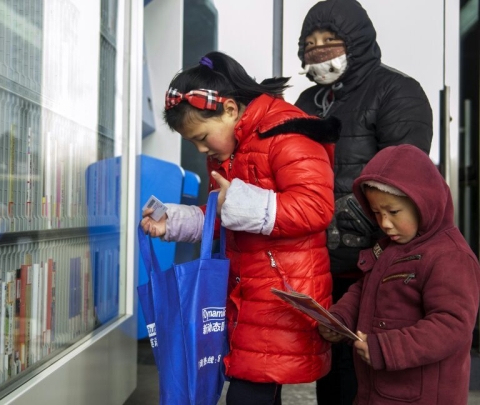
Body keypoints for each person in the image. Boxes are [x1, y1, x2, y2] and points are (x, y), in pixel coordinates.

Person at [141, 51, 341, 404]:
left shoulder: (288, 133)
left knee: (248, 396)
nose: (201, 149)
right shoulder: (230, 147)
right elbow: (225, 214)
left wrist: (239, 202)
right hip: (246, 295)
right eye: (193, 142)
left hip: (281, 296)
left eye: (203, 137)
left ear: (230, 110)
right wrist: (173, 221)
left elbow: (316, 207)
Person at [293, 1, 434, 403]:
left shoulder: (396, 90)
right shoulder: (307, 101)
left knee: (370, 372)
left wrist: (347, 218)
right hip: (320, 262)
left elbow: (403, 175)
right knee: (333, 372)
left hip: (376, 260)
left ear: (356, 40)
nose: (319, 50)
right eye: (310, 44)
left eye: (330, 40)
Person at [318, 144, 480, 404]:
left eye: (393, 212)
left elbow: (452, 325)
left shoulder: (451, 256)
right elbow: (363, 290)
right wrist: (340, 319)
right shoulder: (389, 246)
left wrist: (388, 349)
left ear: (423, 203)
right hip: (377, 392)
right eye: (376, 213)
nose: (384, 223)